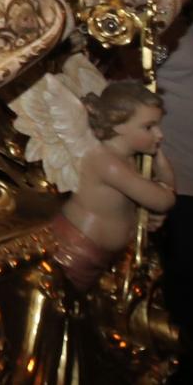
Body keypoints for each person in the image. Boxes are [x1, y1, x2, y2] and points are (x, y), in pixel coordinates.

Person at [50, 82, 177, 289]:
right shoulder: (106, 163)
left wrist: (157, 153)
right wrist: (163, 193)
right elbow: (163, 200)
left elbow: (166, 190)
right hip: (77, 252)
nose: (159, 134)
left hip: (107, 255)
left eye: (158, 126)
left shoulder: (126, 157)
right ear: (118, 125)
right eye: (148, 127)